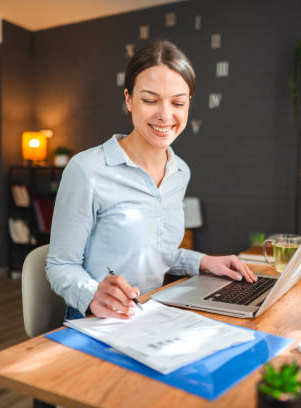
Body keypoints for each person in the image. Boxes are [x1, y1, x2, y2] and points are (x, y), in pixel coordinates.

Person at [46, 40, 256, 320]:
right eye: (149, 100)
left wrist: (204, 261)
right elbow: (60, 264)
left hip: (153, 312)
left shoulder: (180, 171)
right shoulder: (86, 169)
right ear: (129, 99)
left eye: (178, 102)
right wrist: (92, 294)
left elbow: (158, 252)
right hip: (97, 318)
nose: (165, 115)